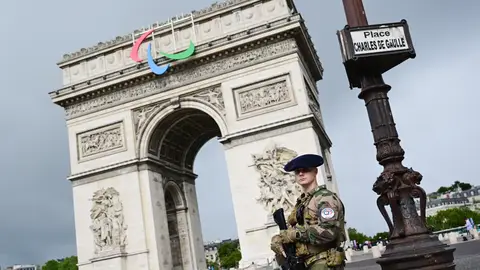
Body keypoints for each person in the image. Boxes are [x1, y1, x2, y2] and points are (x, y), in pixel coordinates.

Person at [270, 154, 346, 270]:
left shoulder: (325, 198)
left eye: (305, 170)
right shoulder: (302, 202)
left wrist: (295, 234)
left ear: (315, 172)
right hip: (305, 262)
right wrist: (279, 238)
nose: (301, 174)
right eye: (297, 171)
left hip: (324, 262)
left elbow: (329, 232)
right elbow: (293, 229)